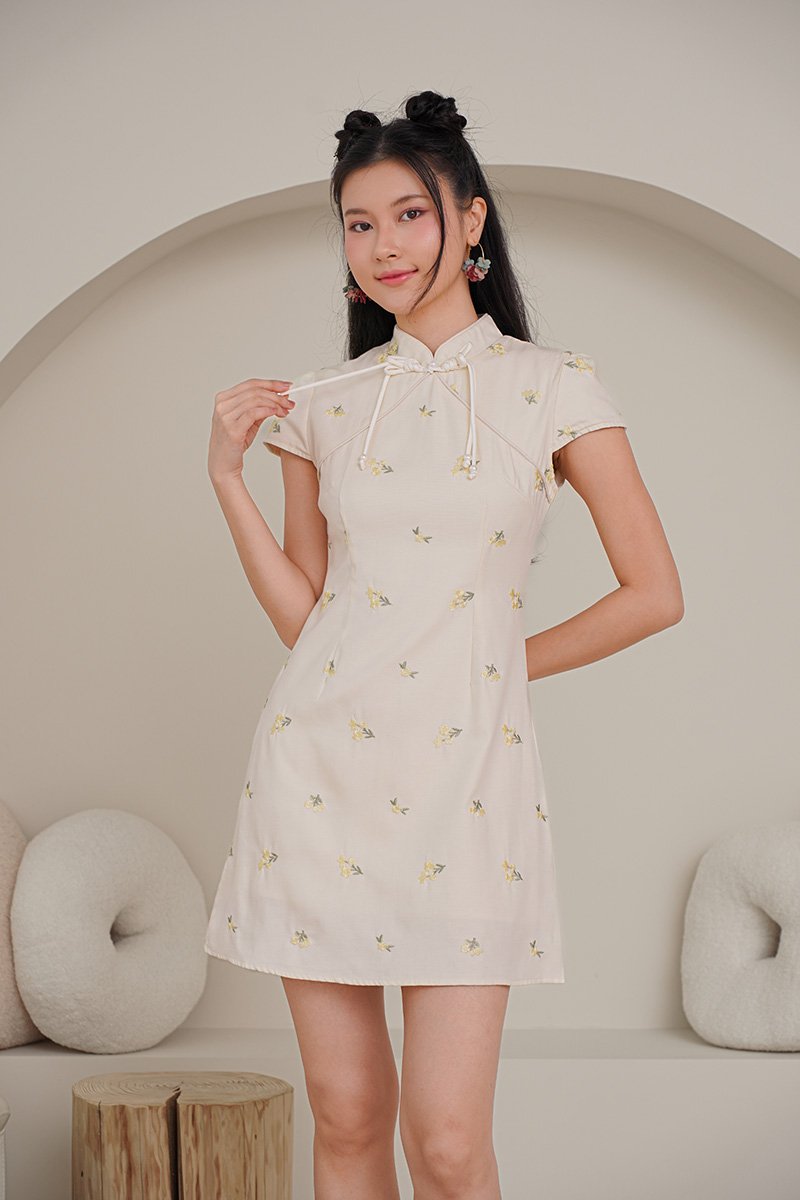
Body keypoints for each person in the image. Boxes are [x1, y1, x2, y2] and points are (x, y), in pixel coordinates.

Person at [204, 90, 684, 1200]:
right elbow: (305, 620)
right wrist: (227, 479)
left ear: (469, 220)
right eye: (358, 222)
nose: (383, 245)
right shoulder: (319, 404)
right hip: (315, 778)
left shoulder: (555, 386)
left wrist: (497, 667)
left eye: (409, 214)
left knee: (450, 1145)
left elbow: (653, 593)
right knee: (345, 1119)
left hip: (467, 785)